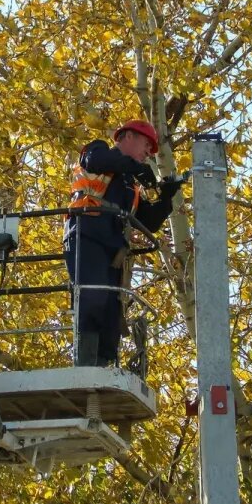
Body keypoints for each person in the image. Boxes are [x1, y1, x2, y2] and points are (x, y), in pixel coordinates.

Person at [64, 120, 184, 366]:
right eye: (146, 145)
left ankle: (104, 364)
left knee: (111, 308)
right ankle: (85, 362)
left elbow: (148, 222)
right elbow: (98, 161)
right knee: (93, 297)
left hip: (113, 249)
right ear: (127, 136)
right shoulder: (97, 152)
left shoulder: (130, 186)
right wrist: (136, 169)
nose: (148, 153)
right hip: (87, 235)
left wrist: (166, 198)